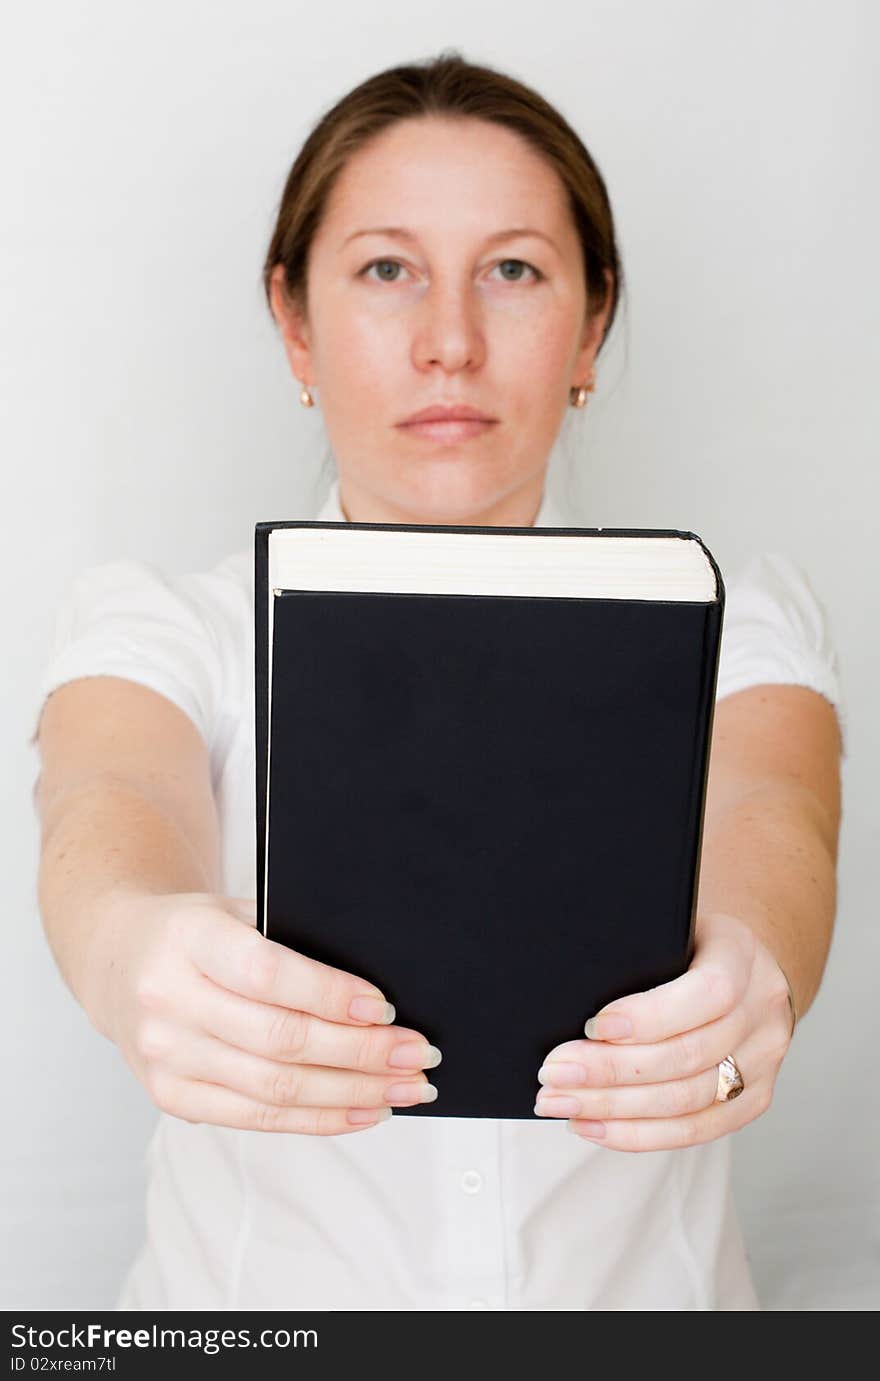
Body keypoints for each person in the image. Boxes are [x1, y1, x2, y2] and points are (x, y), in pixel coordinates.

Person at [30, 52, 846, 1311]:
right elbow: (107, 809)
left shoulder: (736, 633)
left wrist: (753, 973)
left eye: (513, 269)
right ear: (293, 321)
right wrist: (132, 941)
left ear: (592, 322)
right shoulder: (165, 632)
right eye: (385, 269)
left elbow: (770, 824)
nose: (450, 343)